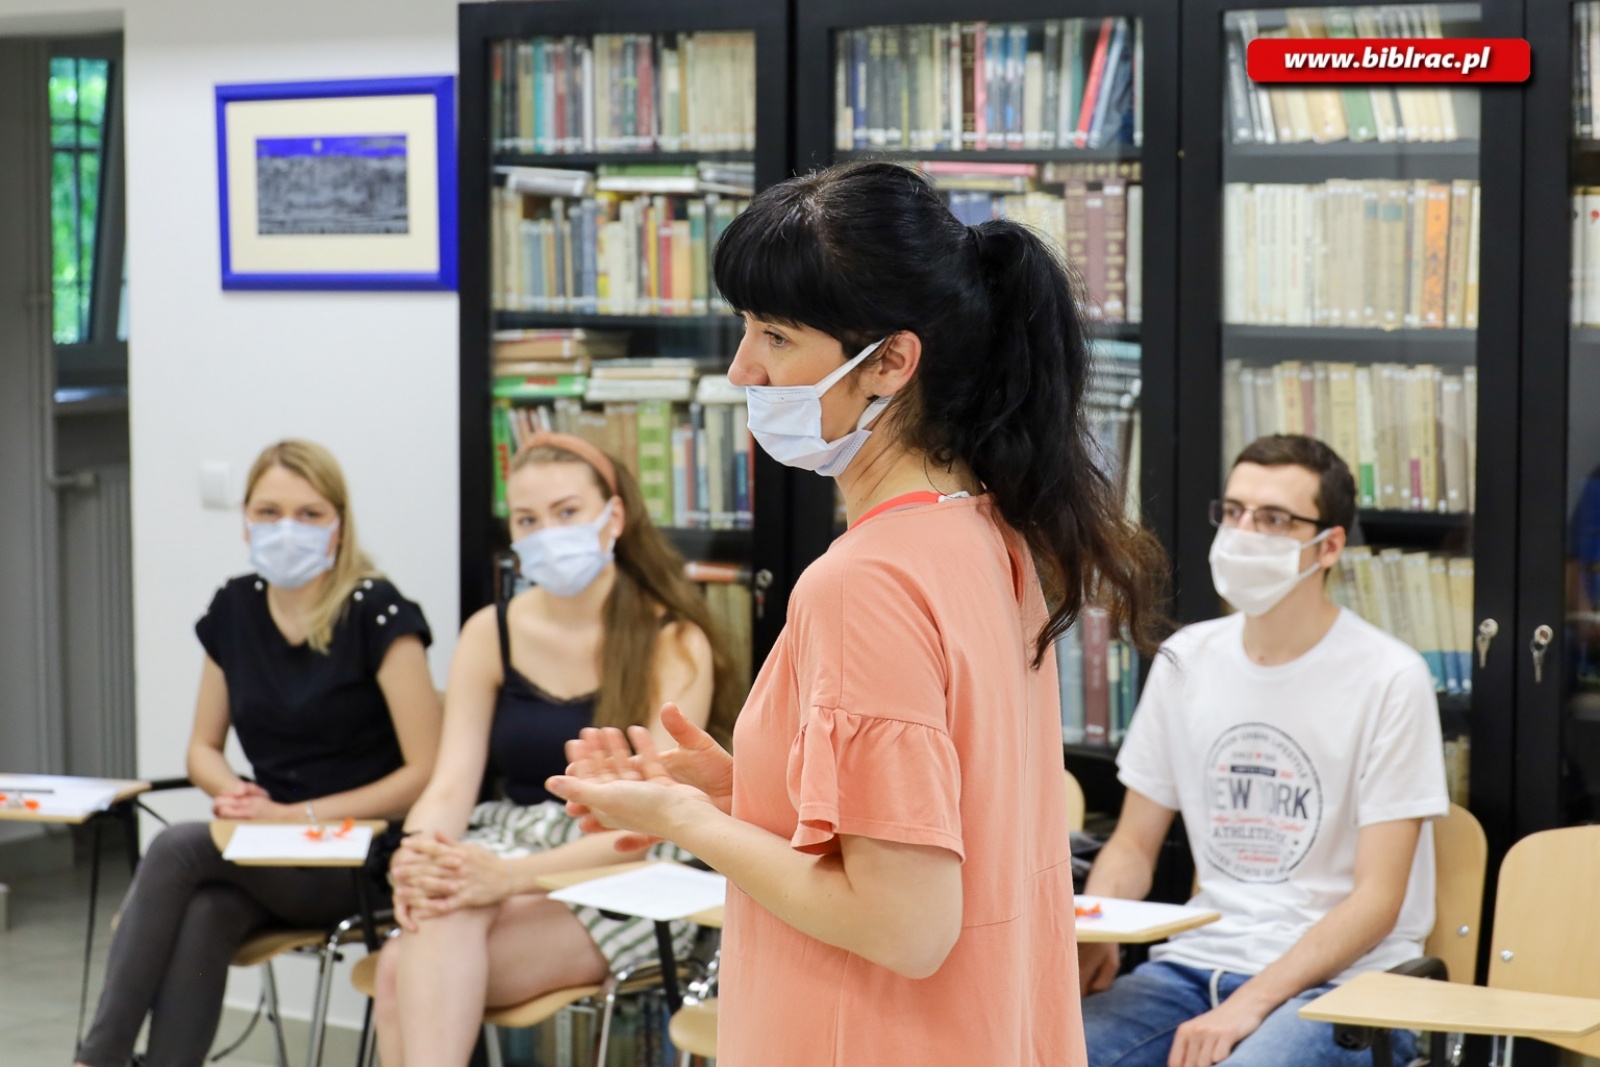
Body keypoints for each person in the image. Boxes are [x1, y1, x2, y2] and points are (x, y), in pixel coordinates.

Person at [545, 160, 1169, 1067]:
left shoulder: (864, 582)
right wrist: (736, 790)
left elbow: (903, 924)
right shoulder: (991, 536)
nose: (740, 366)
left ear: (891, 361)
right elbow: (929, 827)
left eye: (775, 335)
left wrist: (688, 825)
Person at [1077, 433, 1450, 1067]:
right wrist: (1100, 932)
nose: (1245, 531)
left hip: (1343, 988)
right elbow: (1134, 846)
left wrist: (1249, 1003)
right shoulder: (1185, 660)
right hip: (1192, 969)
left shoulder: (1390, 676)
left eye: (1274, 518)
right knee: (1045, 1047)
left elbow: (1378, 901)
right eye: (1234, 511)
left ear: (1329, 545)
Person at [372, 433, 742, 1067]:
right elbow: (451, 783)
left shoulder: (673, 638)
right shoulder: (490, 632)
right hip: (507, 846)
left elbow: (651, 824)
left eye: (567, 512)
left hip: (628, 875)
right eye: (527, 519)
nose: (547, 532)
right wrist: (418, 855)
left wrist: (503, 880)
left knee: (400, 967)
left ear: (614, 517)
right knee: (435, 915)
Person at [73, 439, 441, 1067]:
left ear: (340, 525)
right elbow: (202, 748)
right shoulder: (235, 607)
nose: (285, 529)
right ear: (244, 518)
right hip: (270, 847)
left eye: (308, 513)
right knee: (208, 911)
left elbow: (425, 772)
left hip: (360, 852)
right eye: (268, 512)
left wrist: (298, 818)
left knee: (179, 845)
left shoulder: (378, 614)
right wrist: (231, 791)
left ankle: (96, 1058)